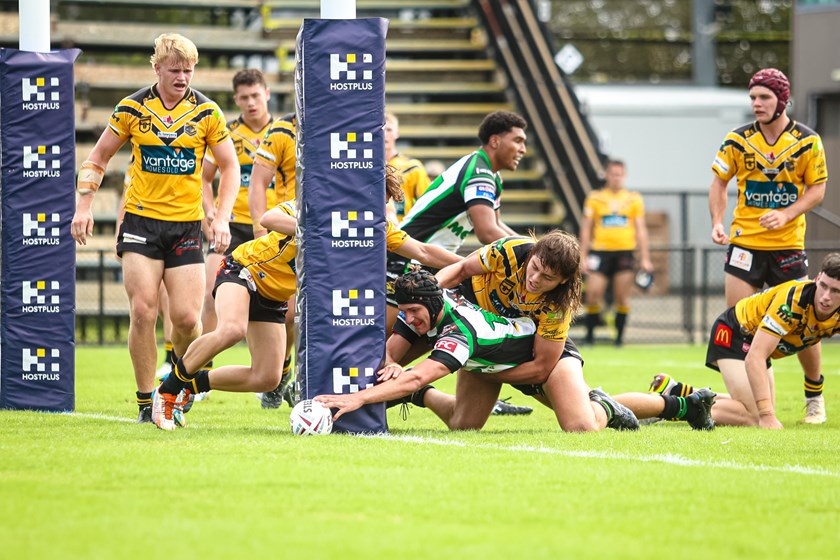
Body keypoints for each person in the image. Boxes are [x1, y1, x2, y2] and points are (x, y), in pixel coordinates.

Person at [151, 169, 464, 430]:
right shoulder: (319, 205)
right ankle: (166, 393)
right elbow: (270, 219)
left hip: (274, 296)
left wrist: (469, 265)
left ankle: (188, 386)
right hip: (244, 270)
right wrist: (321, 229)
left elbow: (423, 251)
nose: (378, 212)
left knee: (267, 377)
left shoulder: (371, 227)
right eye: (374, 202)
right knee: (231, 329)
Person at [71, 33, 239, 423]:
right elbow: (97, 158)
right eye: (175, 70)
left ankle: (177, 384)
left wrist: (223, 216)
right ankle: (147, 402)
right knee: (144, 312)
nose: (183, 77)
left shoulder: (208, 113)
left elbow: (230, 167)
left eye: (189, 70)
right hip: (141, 222)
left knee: (185, 319)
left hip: (185, 225)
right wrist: (84, 206)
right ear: (157, 68)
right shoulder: (131, 108)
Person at [316, 268, 641, 432]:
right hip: (491, 362)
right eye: (404, 311)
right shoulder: (424, 307)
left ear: (430, 305)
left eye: (413, 311)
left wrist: (357, 398)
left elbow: (415, 376)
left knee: (580, 425)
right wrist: (392, 367)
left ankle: (635, 405)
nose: (409, 318)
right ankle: (421, 400)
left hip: (543, 358)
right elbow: (390, 355)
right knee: (463, 425)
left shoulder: (458, 335)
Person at [709, 68, 828, 423]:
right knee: (743, 323)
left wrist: (787, 213)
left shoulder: (807, 141)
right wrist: (717, 221)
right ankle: (763, 404)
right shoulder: (737, 139)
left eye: (764, 97)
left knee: (807, 325)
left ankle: (814, 395)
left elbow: (817, 190)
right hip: (745, 243)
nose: (756, 104)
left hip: (788, 245)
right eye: (752, 98)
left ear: (782, 100)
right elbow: (718, 183)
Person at [647, 253, 840, 430]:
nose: (825, 297)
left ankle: (676, 391)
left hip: (753, 341)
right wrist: (767, 415)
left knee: (754, 406)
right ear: (817, 278)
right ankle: (663, 408)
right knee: (754, 415)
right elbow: (756, 356)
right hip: (734, 332)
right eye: (823, 286)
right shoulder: (791, 302)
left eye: (835, 291)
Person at [199, 69, 275, 383]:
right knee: (207, 294)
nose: (251, 102)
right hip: (231, 227)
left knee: (285, 303)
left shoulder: (283, 132)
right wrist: (210, 213)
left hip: (272, 228)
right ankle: (198, 368)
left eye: (256, 95)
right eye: (244, 97)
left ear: (267, 93)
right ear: (236, 100)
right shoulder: (226, 132)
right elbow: (203, 178)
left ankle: (278, 373)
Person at [247, 111, 298, 407]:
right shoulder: (281, 131)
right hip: (288, 228)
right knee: (290, 313)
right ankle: (281, 373)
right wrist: (259, 229)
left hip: (331, 229)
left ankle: (300, 379)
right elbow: (258, 182)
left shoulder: (340, 125)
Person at [579, 159, 653, 346]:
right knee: (593, 293)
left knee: (622, 296)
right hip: (600, 252)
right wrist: (583, 255)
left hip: (624, 252)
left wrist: (645, 257)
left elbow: (641, 228)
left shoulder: (633, 198)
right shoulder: (595, 197)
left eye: (619, 174)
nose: (616, 177)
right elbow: (586, 228)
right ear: (606, 175)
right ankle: (590, 336)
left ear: (625, 176)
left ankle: (619, 338)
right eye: (613, 173)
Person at [384, 111, 431, 223]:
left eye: (389, 130)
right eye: (381, 130)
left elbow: (427, 203)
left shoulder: (412, 167)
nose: (384, 134)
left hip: (403, 231)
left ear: (397, 133)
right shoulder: (365, 166)